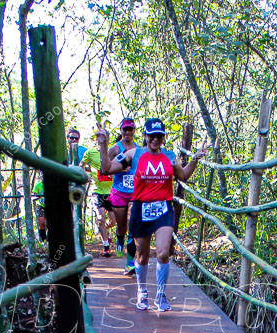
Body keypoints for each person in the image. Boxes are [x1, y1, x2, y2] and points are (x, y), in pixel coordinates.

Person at [98, 118, 208, 311]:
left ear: (163, 138)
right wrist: (103, 145)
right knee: (142, 256)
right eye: (152, 135)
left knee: (164, 252)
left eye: (159, 136)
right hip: (141, 209)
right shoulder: (134, 154)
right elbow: (107, 169)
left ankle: (160, 294)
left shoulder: (170, 156)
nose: (155, 139)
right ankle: (142, 291)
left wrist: (195, 159)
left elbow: (183, 175)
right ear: (146, 136)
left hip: (164, 209)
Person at [105, 118, 139, 274]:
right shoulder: (115, 148)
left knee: (132, 225)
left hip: (134, 192)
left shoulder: (139, 149)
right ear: (121, 130)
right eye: (125, 129)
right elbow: (104, 169)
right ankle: (119, 238)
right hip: (119, 191)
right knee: (122, 226)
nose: (127, 132)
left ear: (134, 130)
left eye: (130, 129)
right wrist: (119, 169)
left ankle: (130, 262)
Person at [82, 133, 117, 257]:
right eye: (100, 138)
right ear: (96, 139)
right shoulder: (90, 153)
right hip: (97, 191)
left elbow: (120, 167)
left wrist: (114, 174)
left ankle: (106, 232)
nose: (102, 141)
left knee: (112, 221)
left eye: (105, 138)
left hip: (112, 192)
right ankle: (106, 246)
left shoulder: (113, 152)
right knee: (101, 218)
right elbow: (81, 166)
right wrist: (85, 175)